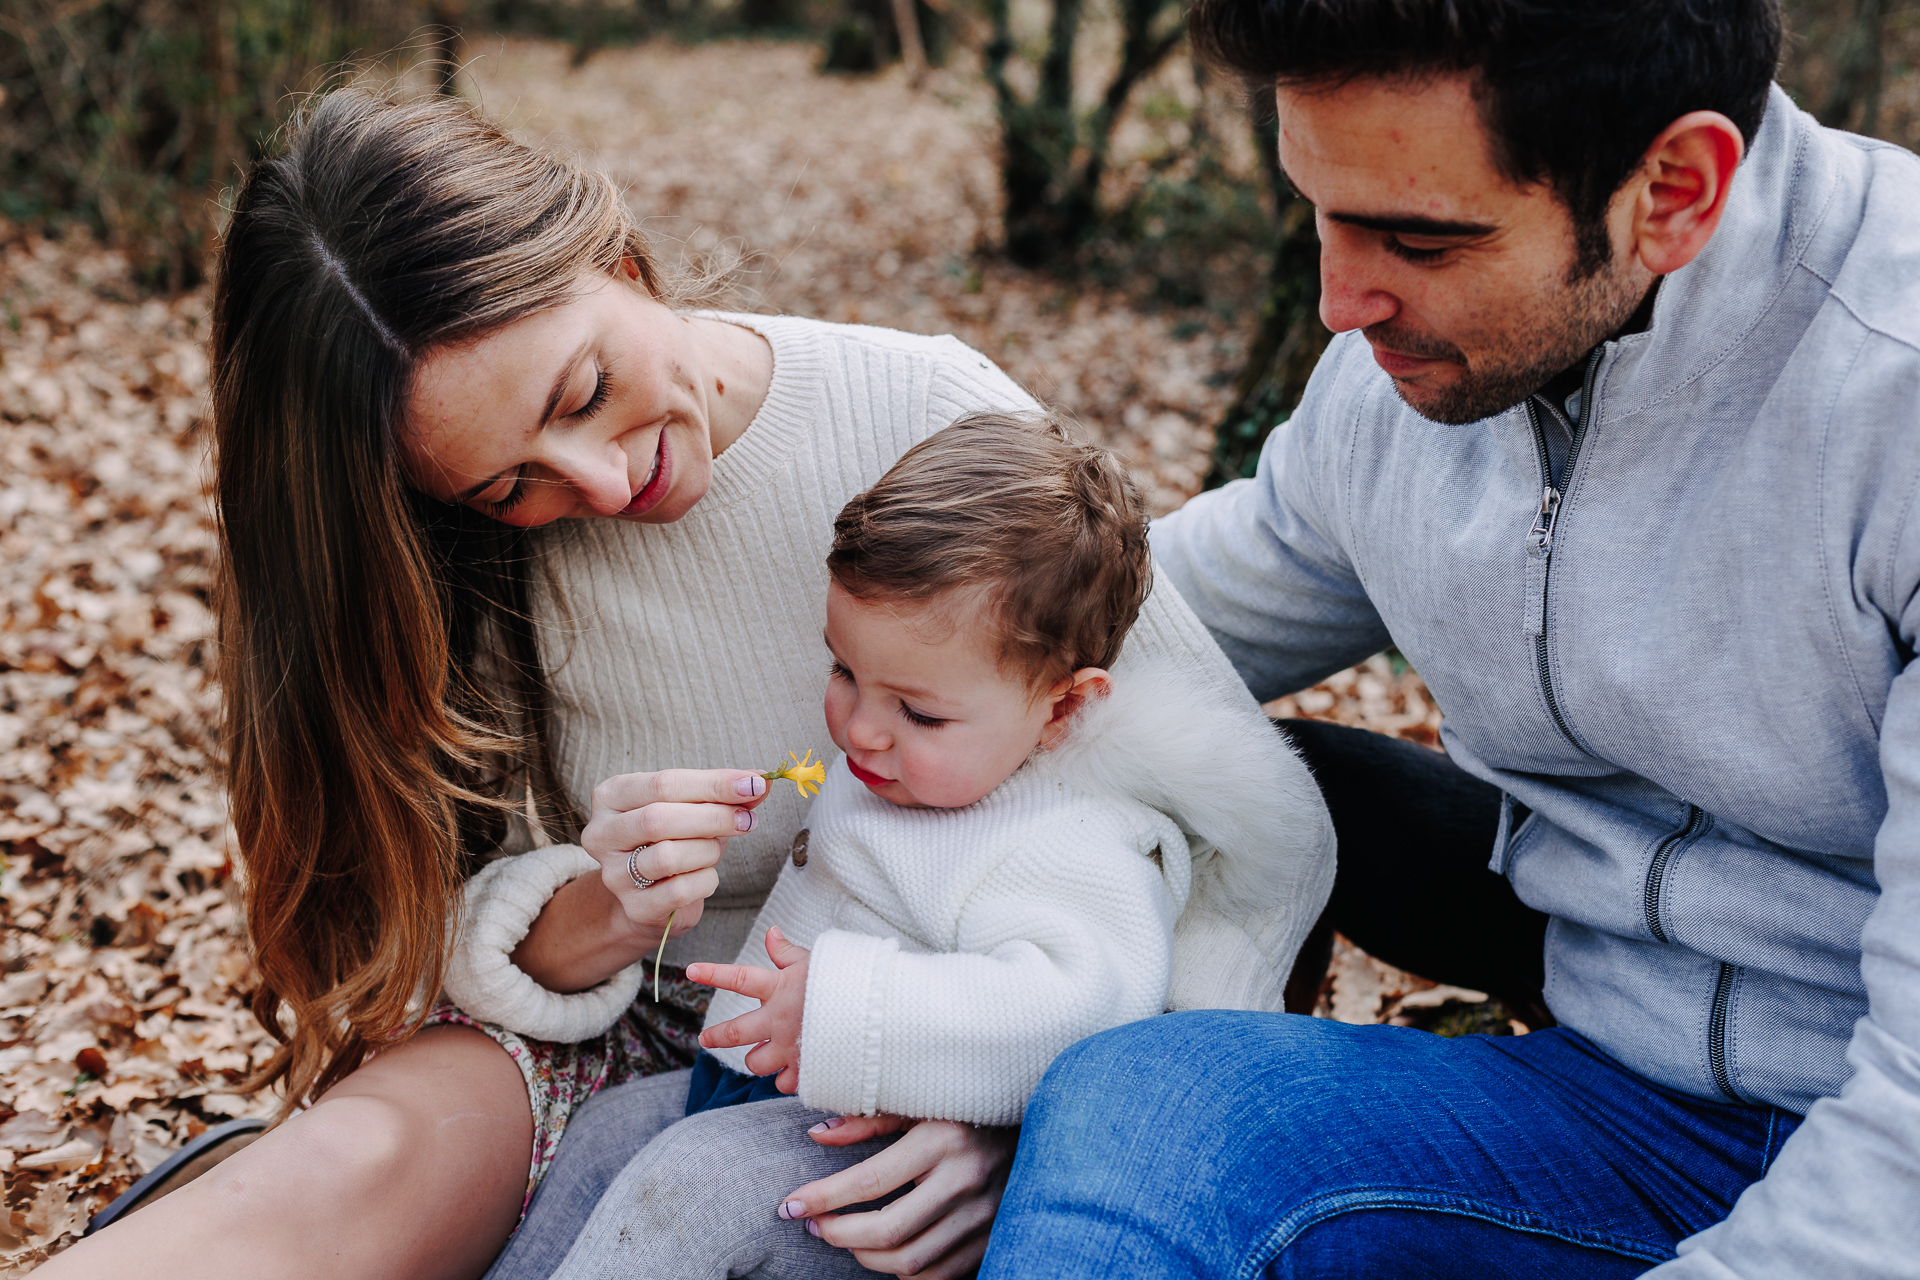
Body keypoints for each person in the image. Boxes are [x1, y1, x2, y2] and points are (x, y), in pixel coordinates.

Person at [38, 85, 1290, 1280]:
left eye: (580, 390)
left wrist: (1035, 1114)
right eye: (508, 484)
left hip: (936, 1036)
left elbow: (1244, 830)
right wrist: (605, 901)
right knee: (347, 1166)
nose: (591, 483)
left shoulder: (929, 416)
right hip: (623, 1032)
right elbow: (430, 932)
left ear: (619, 262)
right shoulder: (451, 558)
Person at [977, 0, 1920, 1276]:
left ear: (1676, 189)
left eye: (1418, 236)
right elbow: (1099, 635)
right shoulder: (1399, 382)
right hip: (1610, 1103)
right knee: (1158, 1104)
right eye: (1318, 208)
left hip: (1883, 1143)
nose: (1338, 301)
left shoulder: (1891, 392)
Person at [515, 410, 1330, 1278]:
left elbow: (1082, 1011)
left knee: (691, 1193)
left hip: (872, 1149)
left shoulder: (1072, 840)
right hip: (752, 1092)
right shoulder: (918, 764)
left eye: (919, 711)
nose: (859, 729)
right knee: (606, 1138)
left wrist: (848, 1010)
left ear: (1065, 709)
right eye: (842, 670)